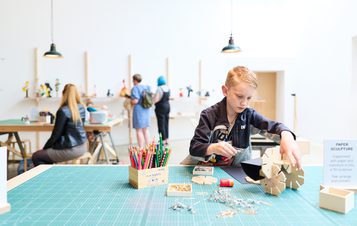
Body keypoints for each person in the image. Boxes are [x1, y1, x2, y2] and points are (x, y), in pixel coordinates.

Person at [188, 66, 301, 169]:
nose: (244, 103)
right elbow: (195, 147)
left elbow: (274, 126)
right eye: (239, 96)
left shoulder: (249, 115)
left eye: (249, 98)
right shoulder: (209, 115)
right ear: (225, 91)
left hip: (237, 171)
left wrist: (287, 136)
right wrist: (213, 148)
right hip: (207, 170)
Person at [32, 84, 88, 166]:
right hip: (83, 146)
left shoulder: (63, 111)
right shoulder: (81, 107)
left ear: (64, 94)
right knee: (45, 155)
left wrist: (45, 148)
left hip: (71, 149)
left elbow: (55, 135)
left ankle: (48, 178)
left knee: (37, 156)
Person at [130, 74, 151, 147]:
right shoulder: (147, 87)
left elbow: (135, 101)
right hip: (147, 110)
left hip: (139, 111)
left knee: (139, 130)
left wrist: (131, 101)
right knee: (145, 129)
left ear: (135, 80)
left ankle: (141, 148)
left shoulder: (135, 88)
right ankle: (148, 147)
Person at [154, 75, 170, 145]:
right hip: (167, 106)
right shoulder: (168, 88)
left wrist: (152, 98)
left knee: (161, 124)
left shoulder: (159, 88)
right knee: (166, 123)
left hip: (160, 107)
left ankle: (162, 140)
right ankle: (166, 139)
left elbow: (156, 100)